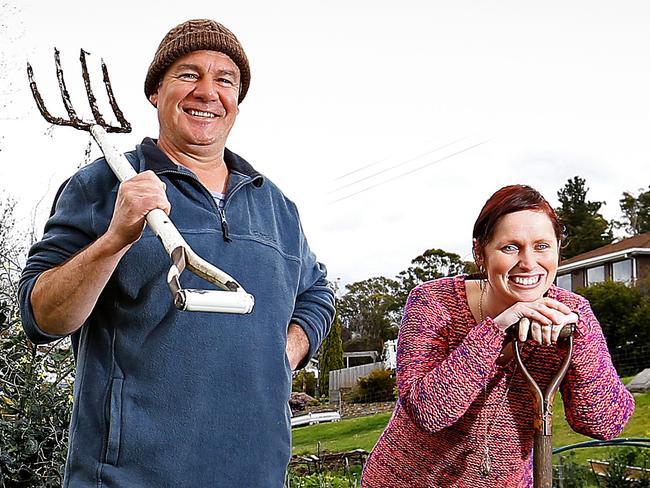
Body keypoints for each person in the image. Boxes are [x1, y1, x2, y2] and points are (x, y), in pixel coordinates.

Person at [19, 19, 335, 487]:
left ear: (237, 101)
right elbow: (41, 316)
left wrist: (283, 352)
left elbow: (317, 292)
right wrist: (115, 239)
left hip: (256, 475)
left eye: (224, 79)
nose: (208, 91)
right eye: (188, 74)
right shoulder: (102, 186)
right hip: (127, 478)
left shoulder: (276, 207)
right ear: (155, 92)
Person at [361, 184, 634, 488]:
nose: (529, 263)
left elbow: (605, 422)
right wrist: (496, 329)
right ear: (481, 252)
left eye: (542, 246)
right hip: (404, 480)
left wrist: (578, 344)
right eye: (510, 247)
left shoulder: (572, 315)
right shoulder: (433, 302)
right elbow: (428, 411)